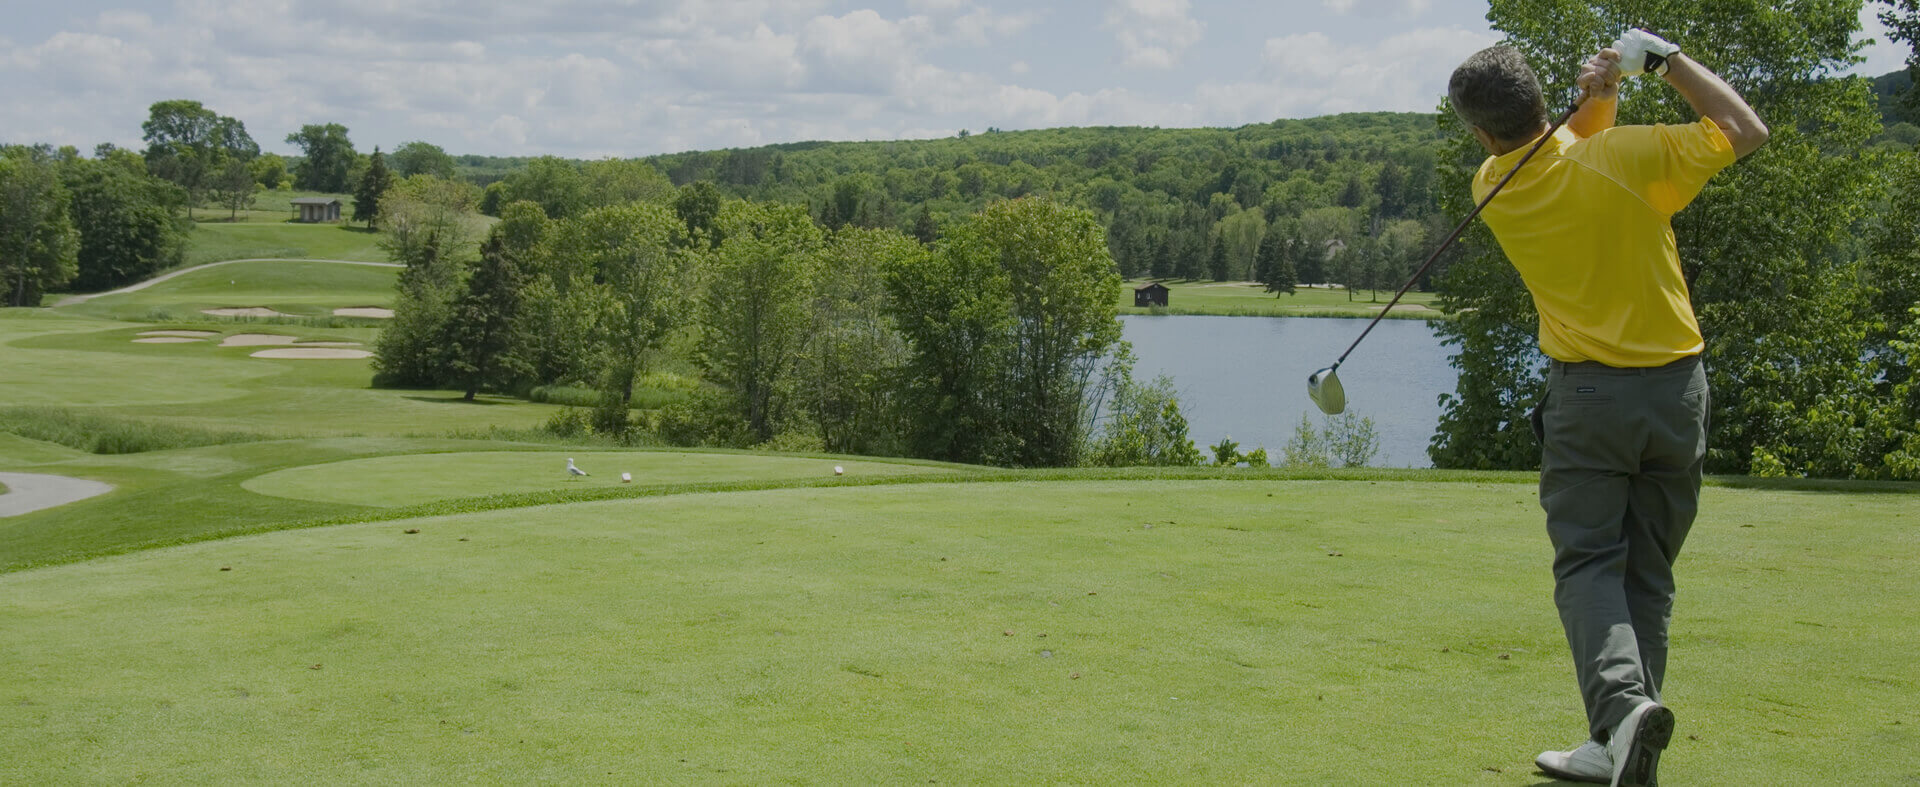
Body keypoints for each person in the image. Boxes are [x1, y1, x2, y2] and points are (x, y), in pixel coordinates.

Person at [1447, 30, 1769, 787]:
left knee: (1590, 562)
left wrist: (1602, 97)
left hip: (1589, 400)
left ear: (1484, 134)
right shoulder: (1630, 158)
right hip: (1676, 394)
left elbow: (1568, 153)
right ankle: (1619, 738)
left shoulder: (1492, 183)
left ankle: (1622, 714)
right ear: (1540, 99)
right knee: (1647, 574)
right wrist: (1666, 62)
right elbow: (1744, 129)